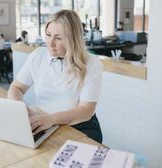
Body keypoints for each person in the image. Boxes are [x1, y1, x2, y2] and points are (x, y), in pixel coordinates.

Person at [7, 10, 103, 143]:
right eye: (48, 35)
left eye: (58, 38)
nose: (50, 43)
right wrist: (19, 108)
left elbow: (86, 110)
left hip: (80, 127)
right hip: (44, 123)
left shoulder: (91, 63)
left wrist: (51, 119)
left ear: (73, 39)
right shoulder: (37, 55)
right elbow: (17, 87)